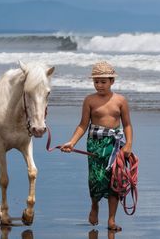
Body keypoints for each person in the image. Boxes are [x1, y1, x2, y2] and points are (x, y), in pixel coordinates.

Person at [60, 61, 133, 232]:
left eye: (103, 82)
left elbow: (128, 125)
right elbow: (83, 125)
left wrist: (128, 144)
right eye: (96, 82)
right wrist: (71, 142)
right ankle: (94, 205)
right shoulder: (89, 100)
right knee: (95, 179)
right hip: (94, 143)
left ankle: (111, 219)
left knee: (115, 181)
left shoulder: (120, 100)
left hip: (114, 145)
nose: (99, 85)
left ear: (111, 81)